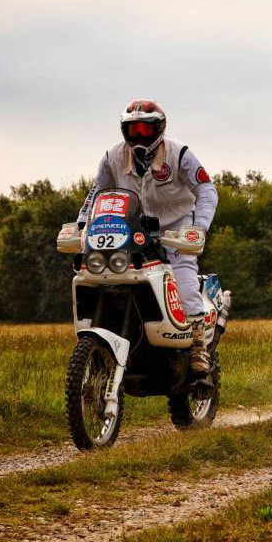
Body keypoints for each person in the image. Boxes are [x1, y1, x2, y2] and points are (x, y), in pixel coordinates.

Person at [76, 99, 219, 376]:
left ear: (159, 129)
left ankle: (198, 344)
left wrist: (199, 227)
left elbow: (206, 189)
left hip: (176, 225)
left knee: (184, 275)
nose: (138, 137)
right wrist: (83, 225)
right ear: (123, 131)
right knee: (103, 274)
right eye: (132, 130)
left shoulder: (179, 155)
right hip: (132, 227)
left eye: (145, 129)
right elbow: (96, 193)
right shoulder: (112, 157)